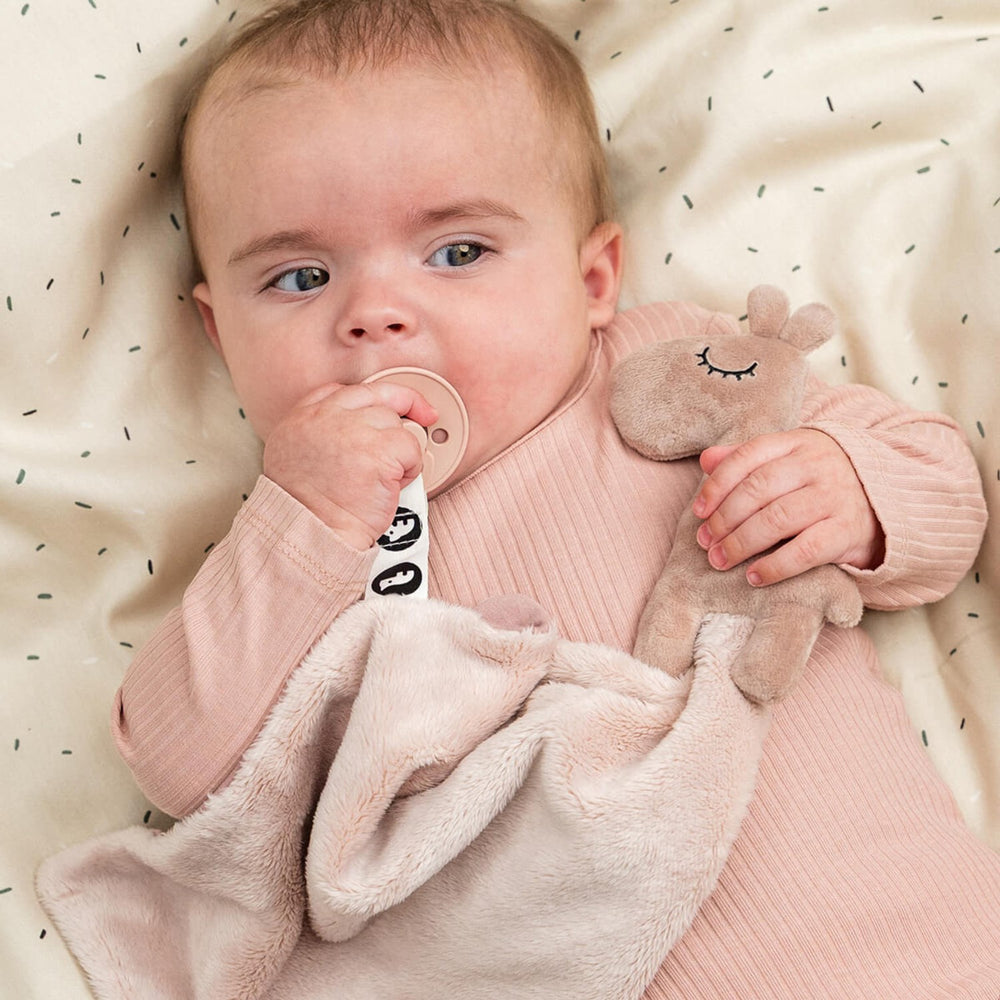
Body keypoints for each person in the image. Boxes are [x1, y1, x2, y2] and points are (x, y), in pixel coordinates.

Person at [112, 0, 1000, 994]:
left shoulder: (673, 370)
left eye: (457, 252)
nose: (375, 315)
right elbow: (180, 767)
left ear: (593, 280)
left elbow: (944, 487)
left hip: (905, 946)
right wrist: (300, 519)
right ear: (221, 334)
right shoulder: (297, 545)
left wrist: (847, 486)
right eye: (299, 276)